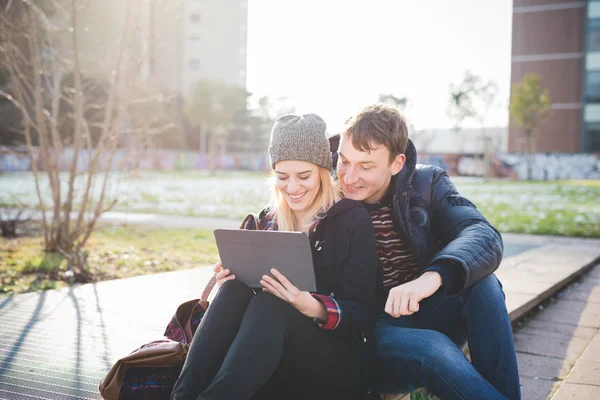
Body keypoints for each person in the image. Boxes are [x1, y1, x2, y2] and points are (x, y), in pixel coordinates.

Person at [170, 113, 379, 400]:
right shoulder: (268, 219)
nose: (292, 188)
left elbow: (363, 314)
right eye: (282, 177)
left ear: (321, 170)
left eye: (303, 176)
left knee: (274, 304)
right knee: (233, 290)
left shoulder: (352, 220)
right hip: (270, 355)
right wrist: (233, 275)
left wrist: (312, 306)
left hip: (333, 361)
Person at [329, 103, 521, 400]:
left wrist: (430, 278)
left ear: (397, 163)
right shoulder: (328, 195)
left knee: (484, 284)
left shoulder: (427, 183)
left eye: (366, 166)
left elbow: (483, 234)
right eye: (344, 161)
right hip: (367, 332)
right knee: (433, 349)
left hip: (424, 309)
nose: (349, 177)